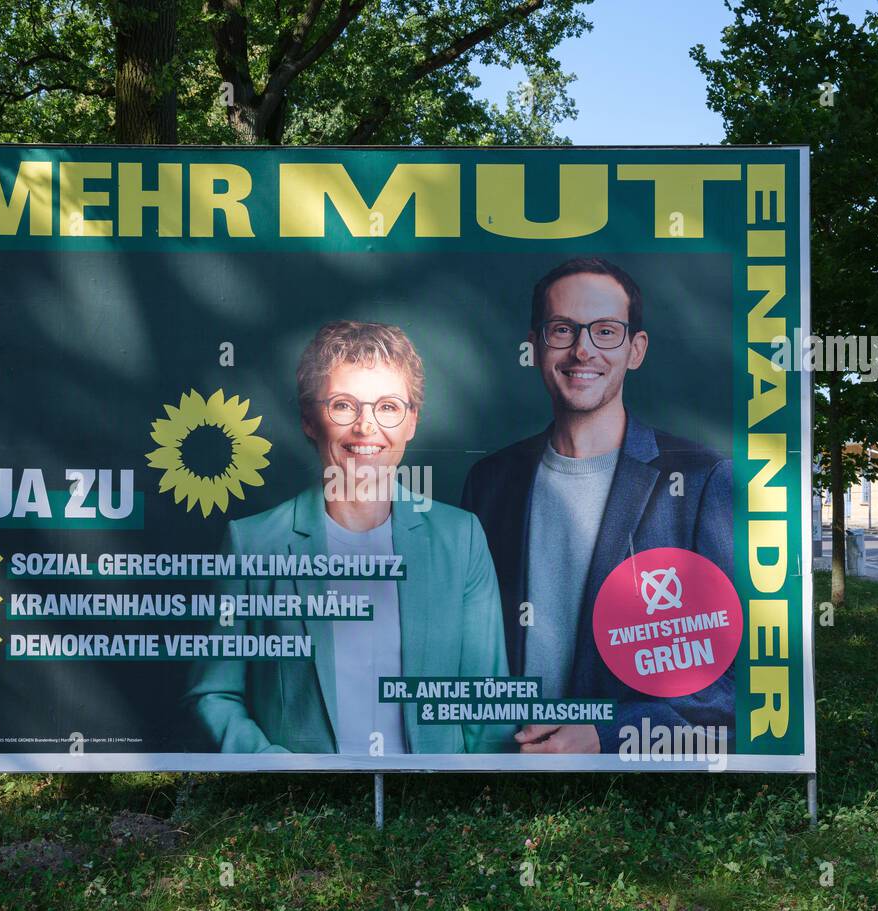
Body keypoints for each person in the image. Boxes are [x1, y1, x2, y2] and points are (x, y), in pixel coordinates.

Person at [185, 320, 515, 755]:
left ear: (412, 421)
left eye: (388, 407)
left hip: (434, 811)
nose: (366, 427)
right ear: (309, 419)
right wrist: (273, 768)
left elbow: (487, 707)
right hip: (301, 815)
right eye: (343, 406)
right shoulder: (252, 543)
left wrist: (475, 811)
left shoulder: (461, 539)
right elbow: (215, 692)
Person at [460, 257, 735, 754]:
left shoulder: (699, 479)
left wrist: (608, 735)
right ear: (536, 345)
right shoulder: (490, 481)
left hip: (632, 791)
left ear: (636, 349)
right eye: (562, 329)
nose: (582, 350)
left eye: (606, 331)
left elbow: (730, 681)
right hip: (501, 768)